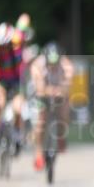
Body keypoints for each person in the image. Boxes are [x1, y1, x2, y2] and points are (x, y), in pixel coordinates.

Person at [29, 42, 73, 171]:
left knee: (64, 112)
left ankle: (61, 135)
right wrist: (50, 90)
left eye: (55, 63)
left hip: (58, 92)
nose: (53, 66)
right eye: (50, 63)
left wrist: (61, 90)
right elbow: (40, 88)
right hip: (42, 93)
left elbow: (67, 85)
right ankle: (38, 152)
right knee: (40, 122)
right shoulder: (37, 65)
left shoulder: (67, 65)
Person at [0, 22, 28, 149]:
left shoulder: (18, 41)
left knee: (18, 108)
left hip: (17, 80)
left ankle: (17, 132)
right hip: (0, 79)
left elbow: (24, 18)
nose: (4, 48)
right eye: (1, 46)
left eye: (6, 45)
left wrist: (21, 26)